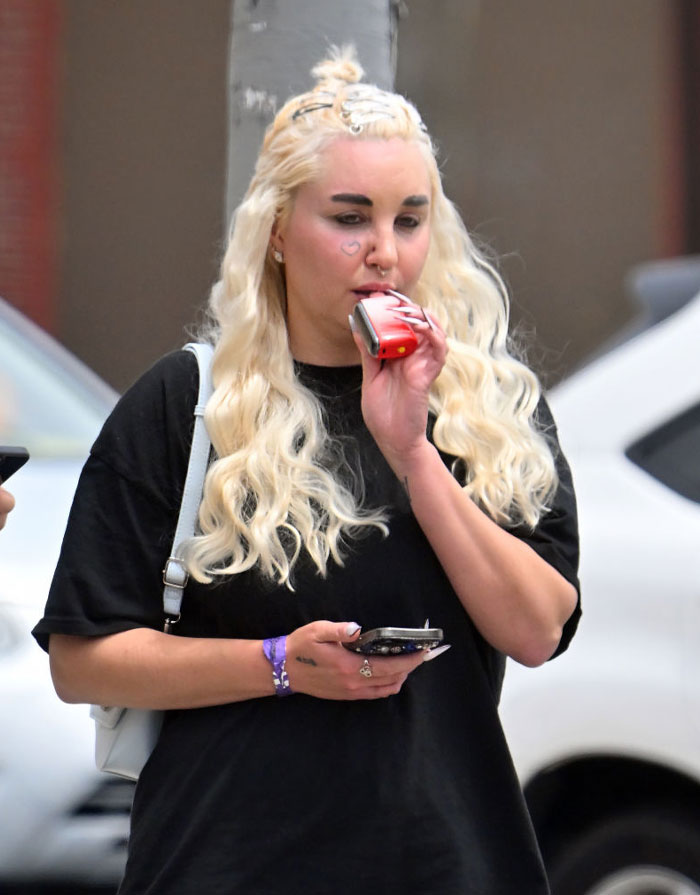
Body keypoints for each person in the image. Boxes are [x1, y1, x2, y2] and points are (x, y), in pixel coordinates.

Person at [33, 47, 580, 895]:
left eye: (410, 220)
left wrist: (411, 450)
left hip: (444, 862)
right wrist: (279, 662)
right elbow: (82, 660)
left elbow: (538, 628)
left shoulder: (484, 407)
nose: (384, 252)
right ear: (279, 230)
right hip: (227, 863)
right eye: (350, 218)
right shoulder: (189, 404)